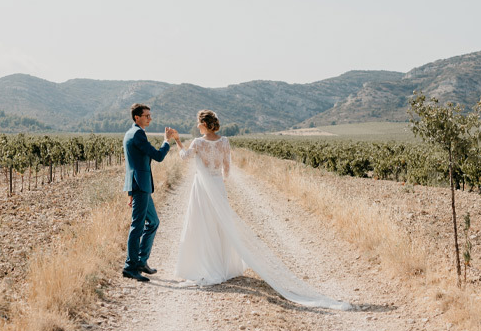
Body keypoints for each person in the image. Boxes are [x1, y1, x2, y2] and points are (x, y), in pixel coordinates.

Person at [172, 110, 350, 310]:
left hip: (203, 187)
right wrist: (217, 180)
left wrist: (177, 141)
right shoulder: (224, 142)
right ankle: (223, 266)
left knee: (202, 223)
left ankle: (206, 265)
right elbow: (227, 170)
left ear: (204, 124)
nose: (197, 126)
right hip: (217, 185)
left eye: (198, 123)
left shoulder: (197, 143)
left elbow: (184, 157)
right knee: (221, 224)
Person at [123, 103, 177, 282]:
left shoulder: (130, 133)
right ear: (137, 117)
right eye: (147, 116)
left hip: (140, 185)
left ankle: (141, 261)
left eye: (149, 115)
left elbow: (133, 163)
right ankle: (130, 267)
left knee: (153, 222)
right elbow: (158, 156)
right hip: (141, 186)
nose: (150, 118)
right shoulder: (138, 133)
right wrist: (166, 141)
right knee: (137, 226)